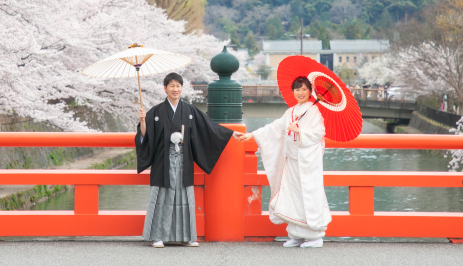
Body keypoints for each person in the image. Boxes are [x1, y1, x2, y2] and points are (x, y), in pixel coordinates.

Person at [136, 72, 240, 248]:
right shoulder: (156, 111)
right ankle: (158, 236)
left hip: (184, 160)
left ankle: (187, 236)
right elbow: (145, 136)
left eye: (178, 86)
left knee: (184, 197)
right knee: (162, 197)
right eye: (172, 86)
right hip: (163, 161)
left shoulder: (189, 110)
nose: (175, 89)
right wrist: (142, 120)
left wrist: (230, 133)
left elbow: (208, 127)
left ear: (182, 88)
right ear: (165, 88)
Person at [238, 76, 331, 248]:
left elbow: (319, 133)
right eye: (297, 89)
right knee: (291, 195)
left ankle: (314, 236)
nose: (301, 93)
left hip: (307, 163)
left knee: (307, 195)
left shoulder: (313, 111)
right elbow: (274, 128)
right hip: (292, 161)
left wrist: (300, 131)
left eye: (304, 89)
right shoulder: (291, 112)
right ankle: (296, 235)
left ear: (310, 91)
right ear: (293, 92)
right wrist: (253, 135)